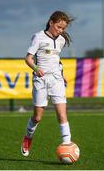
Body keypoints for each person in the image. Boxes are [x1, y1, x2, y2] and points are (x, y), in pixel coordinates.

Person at [21, 10, 74, 157]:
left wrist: (61, 75)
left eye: (63, 28)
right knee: (37, 117)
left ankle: (67, 145)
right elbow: (28, 59)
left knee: (62, 115)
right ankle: (27, 137)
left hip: (56, 79)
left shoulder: (61, 40)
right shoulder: (38, 37)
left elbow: (57, 59)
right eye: (59, 27)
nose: (61, 31)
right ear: (51, 22)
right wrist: (37, 69)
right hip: (41, 80)